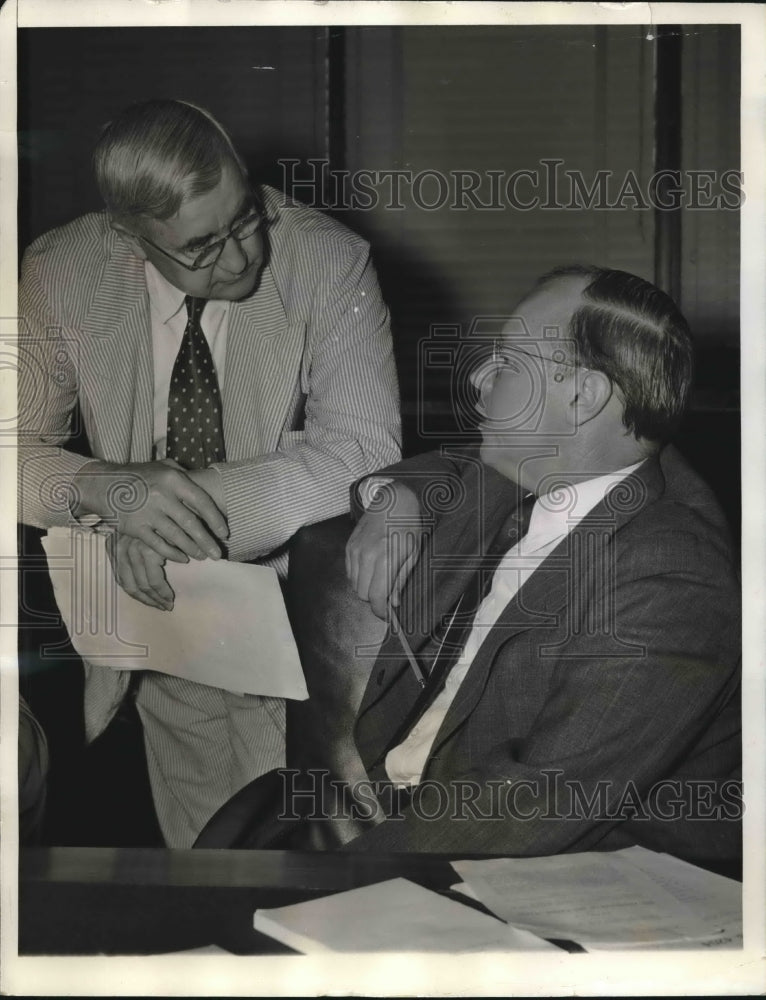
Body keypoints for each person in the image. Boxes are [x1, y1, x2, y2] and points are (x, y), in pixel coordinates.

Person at [17, 98, 401, 847]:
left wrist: (180, 512)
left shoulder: (328, 259)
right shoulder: (59, 271)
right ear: (130, 237)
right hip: (162, 632)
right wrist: (113, 489)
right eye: (201, 246)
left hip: (304, 634)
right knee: (206, 873)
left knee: (308, 872)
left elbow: (364, 455)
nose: (240, 258)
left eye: (246, 217)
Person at [342, 265, 741, 866]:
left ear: (583, 395)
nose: (480, 379)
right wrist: (392, 498)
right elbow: (445, 471)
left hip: (551, 874)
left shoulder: (671, 572)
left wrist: (336, 875)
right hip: (403, 816)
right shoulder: (533, 475)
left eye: (506, 364)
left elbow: (542, 800)